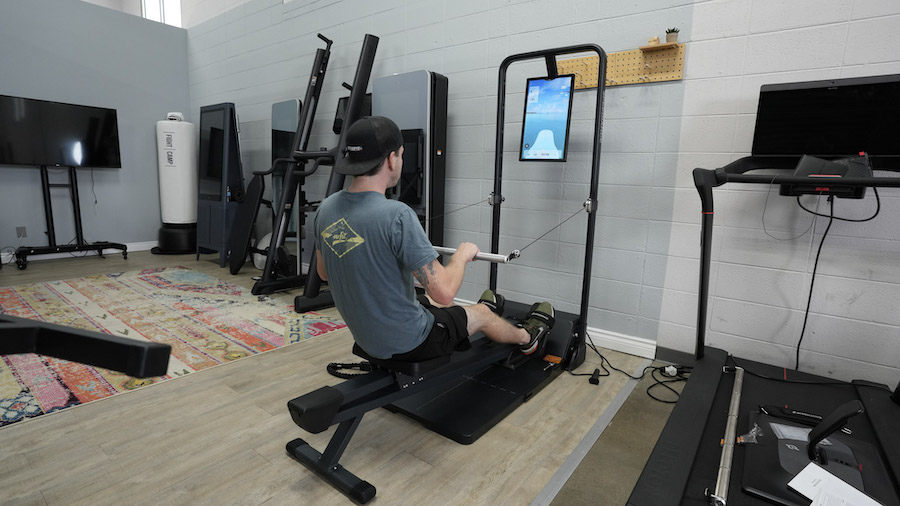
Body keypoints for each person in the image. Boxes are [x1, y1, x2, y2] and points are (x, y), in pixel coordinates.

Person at [314, 115, 555, 362]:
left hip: (367, 339)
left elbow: (324, 272)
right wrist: (461, 257)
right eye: (400, 154)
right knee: (478, 312)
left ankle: (476, 316)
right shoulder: (396, 214)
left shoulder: (326, 208)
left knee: (427, 301)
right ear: (391, 159)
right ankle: (528, 338)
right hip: (411, 342)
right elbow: (446, 293)